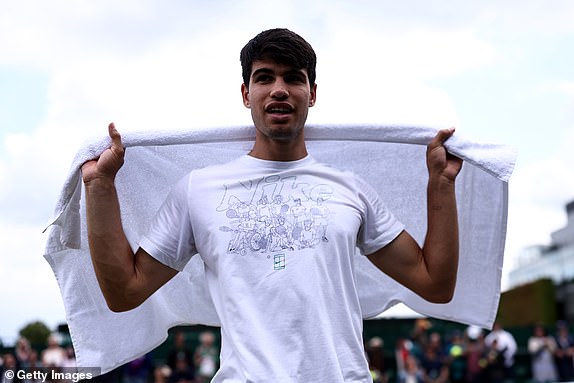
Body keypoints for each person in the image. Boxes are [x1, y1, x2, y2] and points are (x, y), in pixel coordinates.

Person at [81, 28, 462, 382]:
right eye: (265, 78)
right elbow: (124, 292)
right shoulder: (198, 191)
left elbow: (435, 284)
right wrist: (99, 186)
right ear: (246, 94)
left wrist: (440, 184)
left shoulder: (350, 190)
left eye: (293, 77)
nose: (279, 89)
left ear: (312, 93)